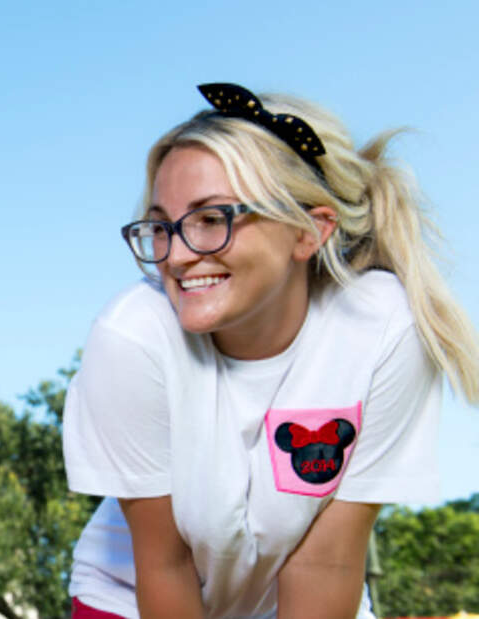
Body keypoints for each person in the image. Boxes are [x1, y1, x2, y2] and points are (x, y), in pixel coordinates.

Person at [62, 83, 479, 619]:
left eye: (213, 219)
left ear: (310, 231)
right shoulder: (132, 337)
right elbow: (166, 563)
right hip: (135, 597)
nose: (178, 256)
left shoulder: (385, 330)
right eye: (163, 226)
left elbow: (325, 562)